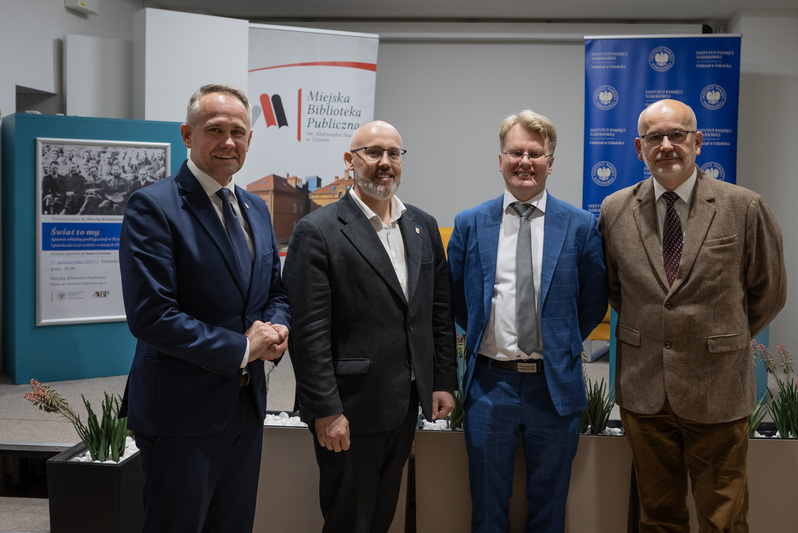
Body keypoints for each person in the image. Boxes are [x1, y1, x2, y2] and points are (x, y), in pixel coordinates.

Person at [598, 99, 787, 532]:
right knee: (658, 518)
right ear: (639, 148)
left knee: (724, 520)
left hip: (718, 389)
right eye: (654, 137)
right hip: (644, 391)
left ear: (698, 141)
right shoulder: (614, 209)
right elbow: (615, 289)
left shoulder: (744, 206)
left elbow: (769, 291)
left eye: (677, 135)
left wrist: (721, 336)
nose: (666, 145)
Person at [118, 83, 290, 532]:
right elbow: (152, 316)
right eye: (215, 129)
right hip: (181, 414)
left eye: (238, 131)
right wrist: (243, 348)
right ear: (187, 134)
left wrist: (277, 327)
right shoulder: (152, 207)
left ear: (250, 139)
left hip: (245, 409)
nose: (228, 141)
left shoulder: (255, 208)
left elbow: (274, 291)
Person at [283, 120, 457, 532]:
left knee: (381, 517)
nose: (385, 162)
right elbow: (308, 334)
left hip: (403, 403)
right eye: (373, 152)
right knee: (349, 520)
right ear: (350, 160)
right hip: (349, 407)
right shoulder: (318, 230)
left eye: (394, 153)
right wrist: (326, 410)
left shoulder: (422, 225)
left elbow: (437, 311)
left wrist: (441, 380)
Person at [448, 109, 608, 532]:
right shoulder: (469, 223)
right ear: (500, 159)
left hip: (553, 387)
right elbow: (457, 300)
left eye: (535, 154)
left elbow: (593, 301)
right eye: (515, 152)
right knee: (487, 508)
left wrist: (558, 341)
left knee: (549, 508)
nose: (525, 162)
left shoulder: (580, 226)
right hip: (489, 385)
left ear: (550, 163)